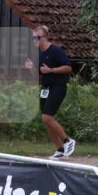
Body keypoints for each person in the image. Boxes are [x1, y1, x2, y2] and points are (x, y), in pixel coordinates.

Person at [24, 25, 75, 158]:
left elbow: (68, 68)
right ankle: (59, 149)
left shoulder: (55, 51)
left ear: (45, 37)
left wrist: (51, 70)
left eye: (37, 37)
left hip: (58, 87)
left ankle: (67, 141)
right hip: (45, 88)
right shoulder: (38, 53)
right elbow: (39, 74)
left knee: (47, 117)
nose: (35, 40)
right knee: (45, 120)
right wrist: (30, 68)